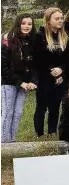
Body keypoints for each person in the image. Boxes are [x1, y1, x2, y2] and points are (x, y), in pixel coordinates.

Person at [34, 7, 69, 137]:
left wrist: (61, 70)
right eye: (57, 18)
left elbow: (68, 58)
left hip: (60, 77)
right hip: (44, 77)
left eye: (62, 18)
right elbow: (38, 59)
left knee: (55, 107)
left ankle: (52, 131)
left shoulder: (66, 36)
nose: (60, 21)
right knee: (41, 106)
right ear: (49, 20)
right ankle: (39, 133)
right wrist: (51, 71)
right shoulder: (40, 36)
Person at [1, 14, 37, 143]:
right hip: (9, 83)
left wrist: (33, 81)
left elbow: (35, 65)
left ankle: (12, 141)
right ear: (17, 24)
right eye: (23, 23)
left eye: (29, 24)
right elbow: (3, 68)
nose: (26, 26)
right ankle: (4, 143)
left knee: (18, 113)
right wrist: (19, 82)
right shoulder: (7, 40)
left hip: (25, 84)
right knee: (7, 113)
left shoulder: (33, 41)